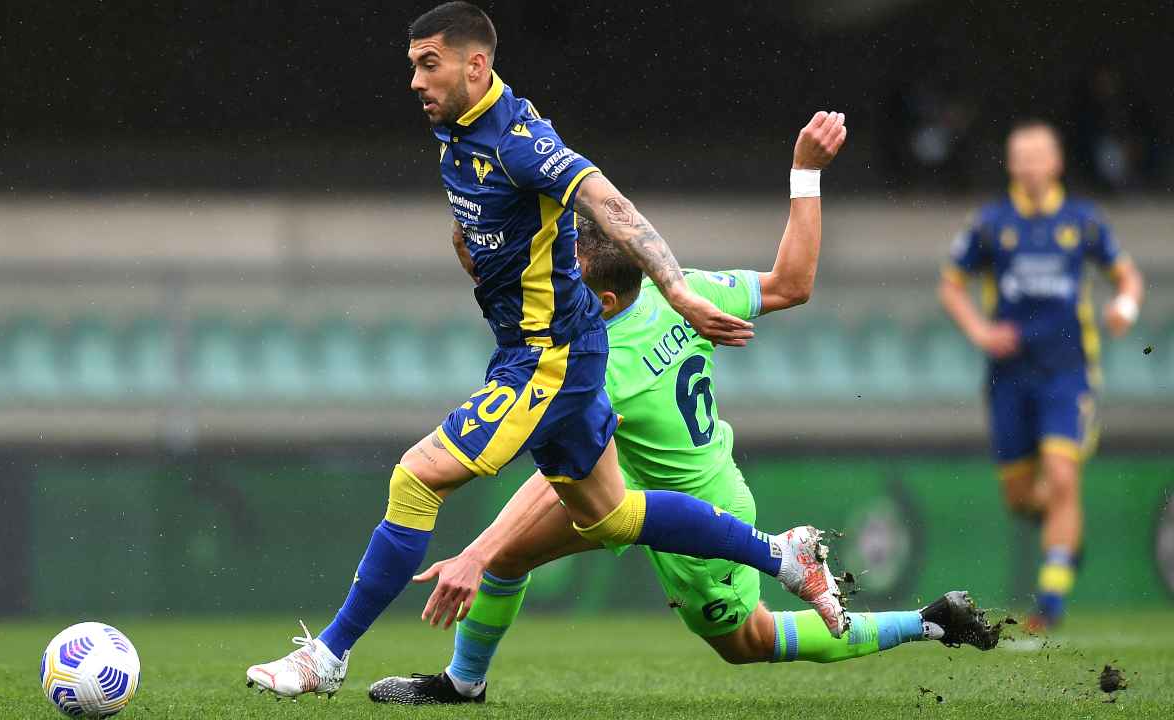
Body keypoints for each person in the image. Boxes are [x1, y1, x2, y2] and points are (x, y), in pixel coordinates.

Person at [245, 2, 848, 699]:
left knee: (416, 478)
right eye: (413, 64)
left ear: (477, 65)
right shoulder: (456, 131)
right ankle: (782, 554)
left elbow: (609, 204)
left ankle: (328, 655)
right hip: (554, 345)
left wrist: (677, 289)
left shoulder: (519, 139)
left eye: (428, 63)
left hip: (549, 357)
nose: (415, 80)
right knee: (616, 515)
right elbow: (506, 234)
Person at [366, 113, 1003, 704]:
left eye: (570, 280)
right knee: (510, 554)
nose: (557, 287)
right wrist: (804, 172)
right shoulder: (687, 293)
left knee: (750, 643)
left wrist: (473, 552)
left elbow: (549, 477)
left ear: (607, 299)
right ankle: (463, 684)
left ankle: (928, 623)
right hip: (633, 482)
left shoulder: (599, 361)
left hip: (703, 509)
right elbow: (792, 284)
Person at [938, 120, 1145, 630]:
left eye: (1039, 156)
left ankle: (1050, 600)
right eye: (1020, 157)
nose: (1030, 165)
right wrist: (981, 332)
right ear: (1011, 164)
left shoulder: (1084, 221)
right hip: (1008, 377)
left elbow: (1128, 277)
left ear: (1056, 163)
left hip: (1067, 374)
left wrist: (1125, 307)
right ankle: (1064, 534)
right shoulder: (990, 223)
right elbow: (950, 284)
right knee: (1022, 497)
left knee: (1061, 473)